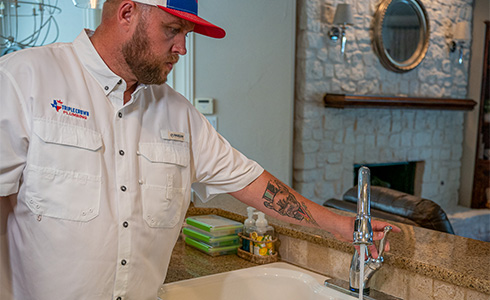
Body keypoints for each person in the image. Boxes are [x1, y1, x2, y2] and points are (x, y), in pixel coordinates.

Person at [0, 0, 400, 299]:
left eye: (187, 35)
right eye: (172, 30)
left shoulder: (177, 112)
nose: (182, 48)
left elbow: (253, 183)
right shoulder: (25, 80)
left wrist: (342, 226)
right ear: (126, 13)